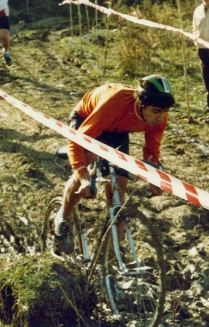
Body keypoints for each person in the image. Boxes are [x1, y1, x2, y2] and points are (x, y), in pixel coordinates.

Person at [53, 75, 175, 240]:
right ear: (141, 103)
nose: (160, 117)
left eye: (165, 111)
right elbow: (77, 142)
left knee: (118, 187)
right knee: (90, 171)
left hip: (118, 130)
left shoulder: (159, 117)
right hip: (88, 118)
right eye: (155, 112)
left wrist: (153, 178)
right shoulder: (115, 103)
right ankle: (63, 217)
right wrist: (83, 178)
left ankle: (112, 254)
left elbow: (152, 149)